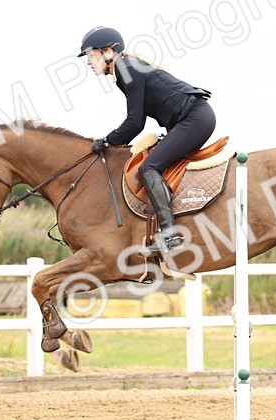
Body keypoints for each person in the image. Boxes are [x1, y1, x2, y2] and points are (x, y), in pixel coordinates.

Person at [79, 26, 215, 254]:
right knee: (155, 162)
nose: (89, 62)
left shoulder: (127, 69)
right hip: (193, 118)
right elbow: (138, 120)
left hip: (194, 118)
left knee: (149, 167)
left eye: (92, 56)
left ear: (109, 51)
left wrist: (107, 141)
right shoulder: (126, 69)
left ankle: (170, 236)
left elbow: (134, 122)